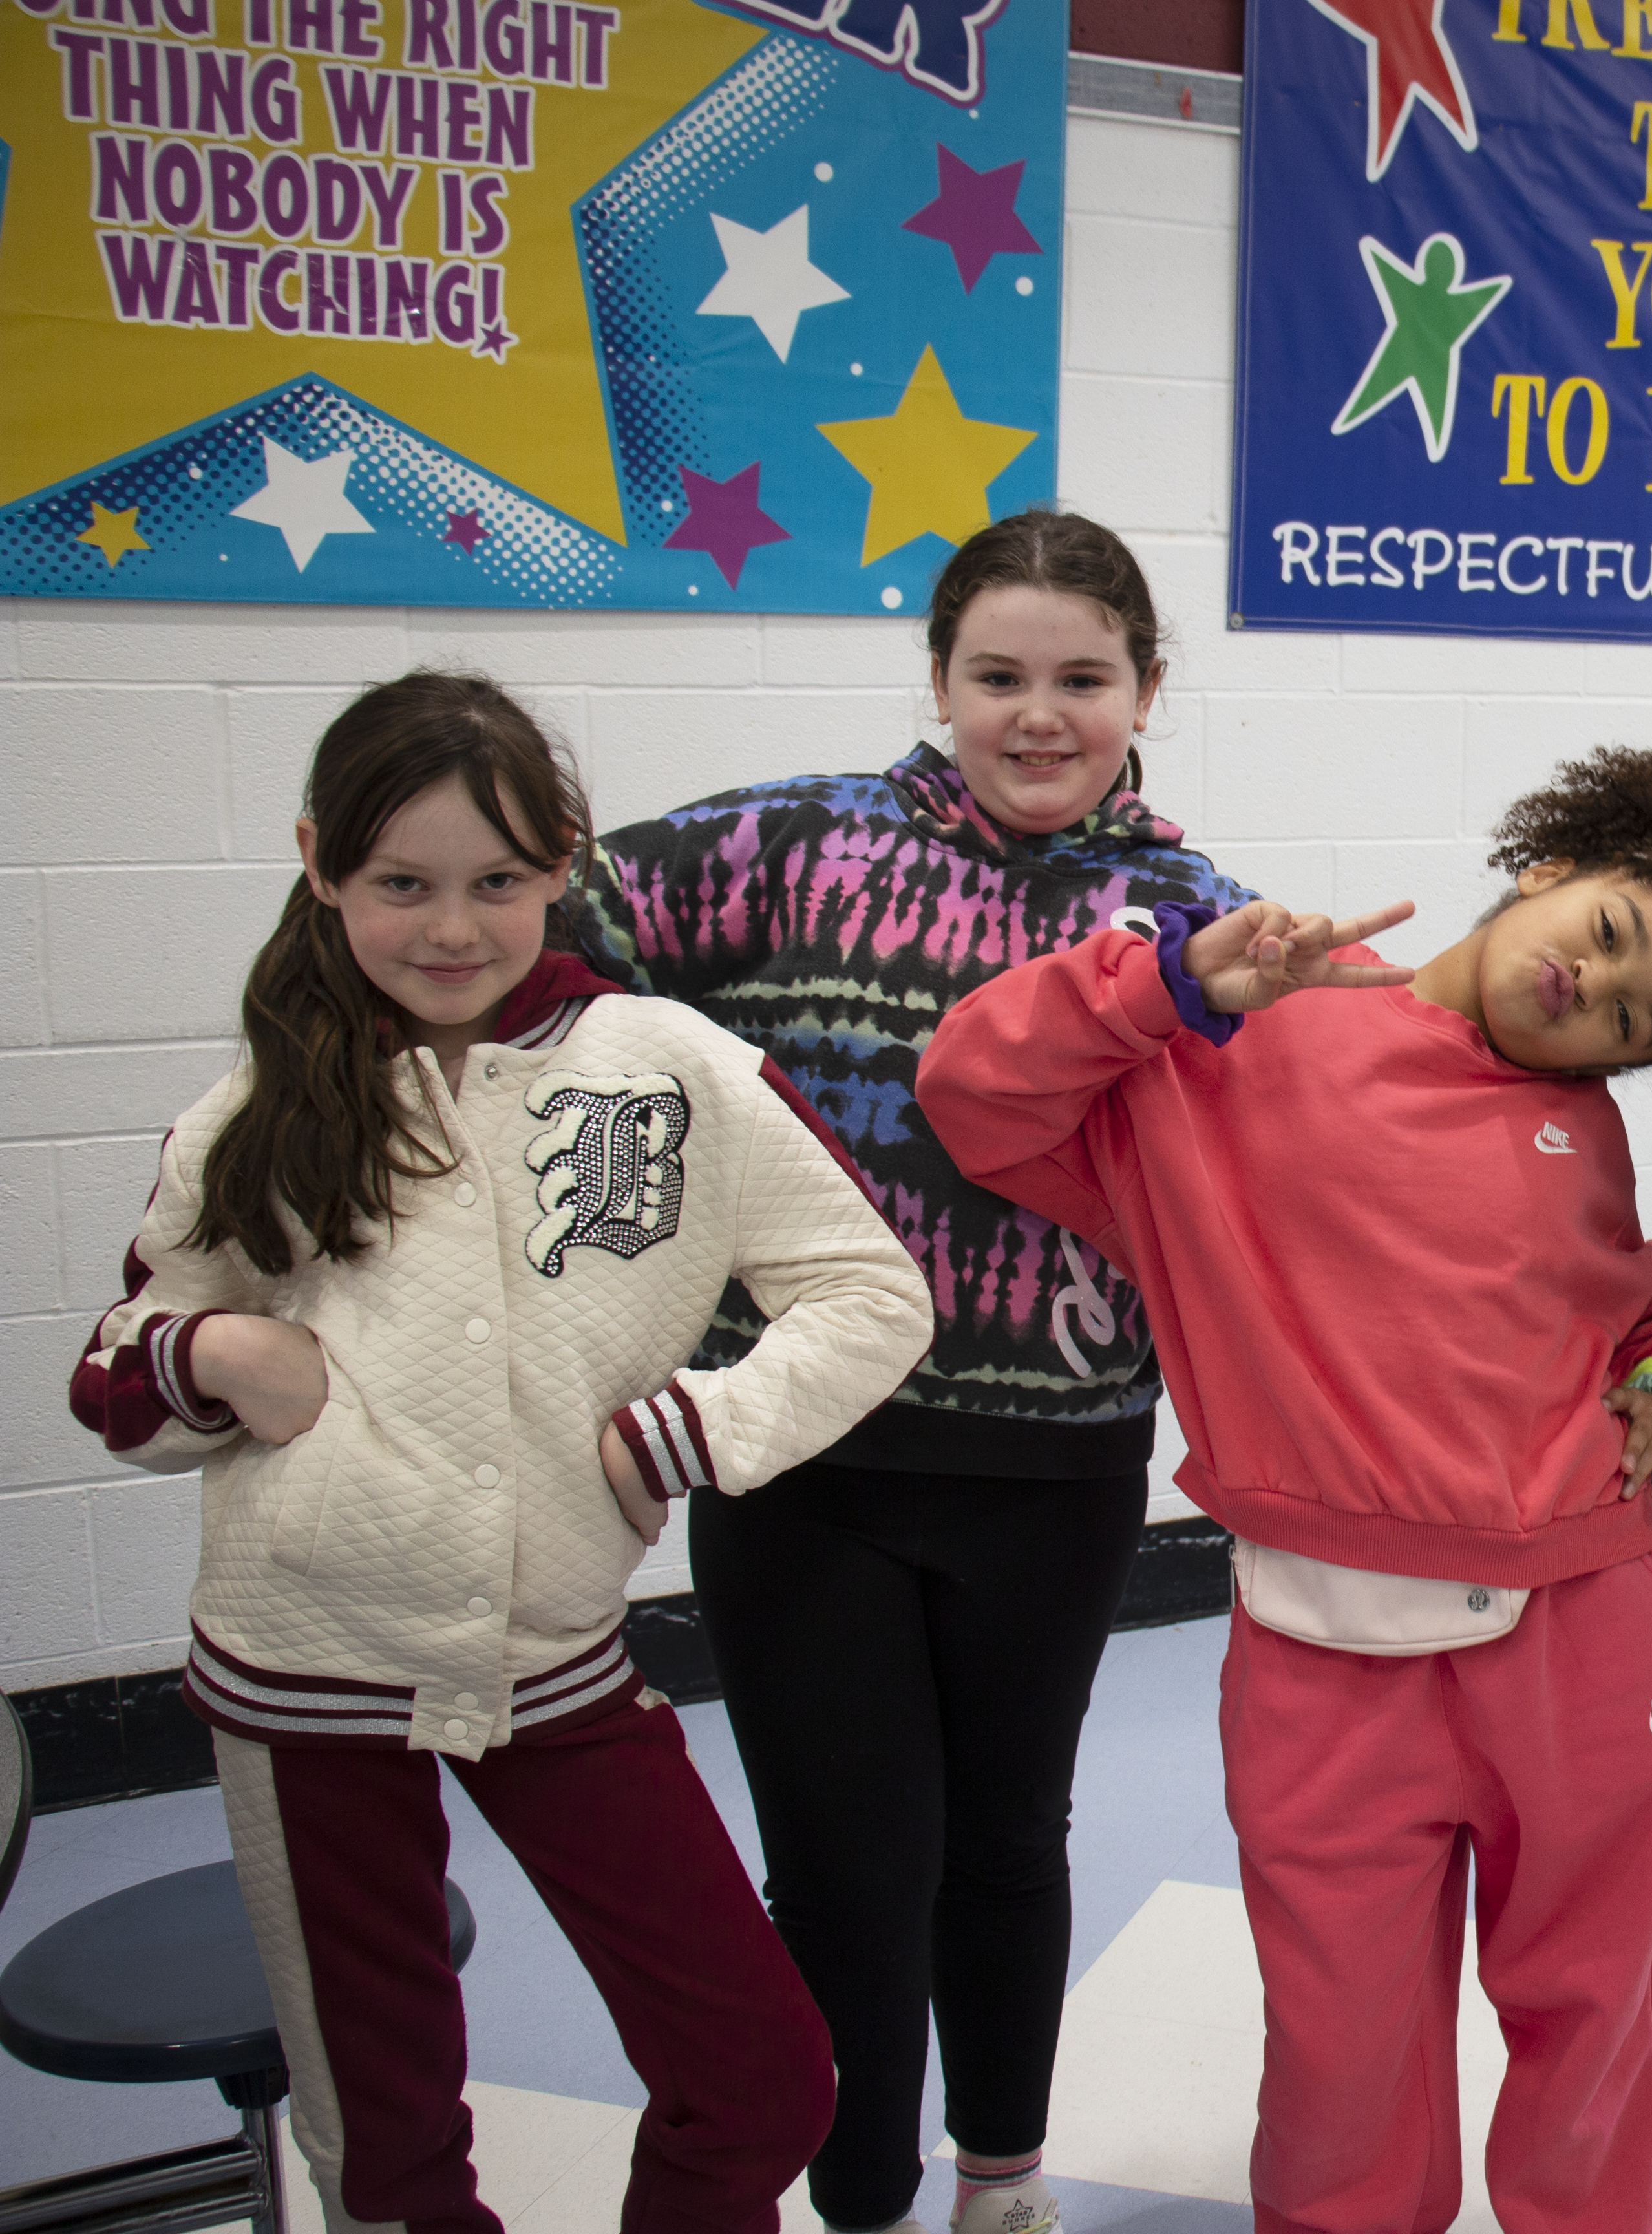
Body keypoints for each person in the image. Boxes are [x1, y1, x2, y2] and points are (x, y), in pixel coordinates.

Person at [67, 672, 934, 2234]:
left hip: (559, 1664)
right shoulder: (258, 1107)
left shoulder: (672, 1068)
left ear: (563, 864)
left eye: (497, 882)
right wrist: (221, 1355)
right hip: (301, 1670)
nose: (450, 928)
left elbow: (871, 1294)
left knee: (761, 2075)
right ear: (319, 864)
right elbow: (117, 1377)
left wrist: (691, 1432)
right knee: (386, 2147)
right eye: (400, 883)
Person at [913, 747, 1652, 2234]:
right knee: (1341, 2048)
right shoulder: (1243, 1033)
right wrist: (1167, 987)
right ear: (1548, 870)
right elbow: (971, 1088)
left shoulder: (1568, 1120)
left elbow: (1619, 1288)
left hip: (1582, 1629)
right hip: (1324, 1654)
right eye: (1605, 933)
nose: (1597, 988)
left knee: (1591, 2014)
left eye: (1641, 1016)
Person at [563, 511, 1244, 2234]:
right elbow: (536, 927)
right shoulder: (792, 846)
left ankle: (1000, 2187)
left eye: (1082, 678)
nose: (1039, 713)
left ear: (1147, 688)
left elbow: (1326, 1154)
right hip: (805, 1464)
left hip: (1062, 1467)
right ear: (936, 680)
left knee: (1008, 1844)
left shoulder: (1196, 916)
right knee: (848, 1876)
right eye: (997, 675)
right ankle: (858, 2196)